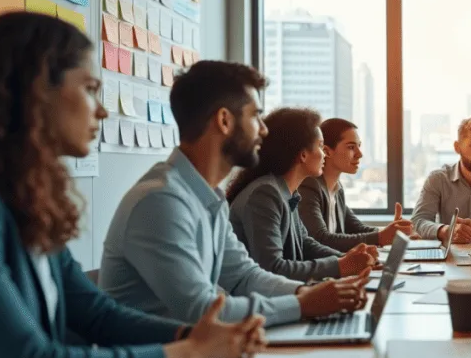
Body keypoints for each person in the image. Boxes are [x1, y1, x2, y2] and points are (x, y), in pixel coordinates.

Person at [0, 13, 267, 358]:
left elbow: (97, 314)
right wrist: (189, 355)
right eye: (90, 88)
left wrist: (197, 336)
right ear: (36, 91)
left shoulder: (26, 200)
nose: (101, 109)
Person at [100, 62, 367, 327]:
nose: (263, 129)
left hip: (200, 355)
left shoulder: (207, 196)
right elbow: (202, 309)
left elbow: (245, 277)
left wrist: (305, 294)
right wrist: (302, 303)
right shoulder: (161, 202)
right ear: (225, 120)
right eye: (255, 116)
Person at [227, 108, 378, 282]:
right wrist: (342, 265)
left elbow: (305, 243)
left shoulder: (286, 192)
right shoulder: (265, 195)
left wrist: (348, 259)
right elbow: (272, 268)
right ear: (303, 154)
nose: (324, 155)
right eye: (321, 146)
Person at [298, 118, 413, 250]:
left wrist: (396, 232)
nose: (359, 154)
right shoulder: (309, 186)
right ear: (327, 151)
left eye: (359, 146)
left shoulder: (336, 189)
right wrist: (382, 236)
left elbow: (356, 228)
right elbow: (321, 239)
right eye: (351, 147)